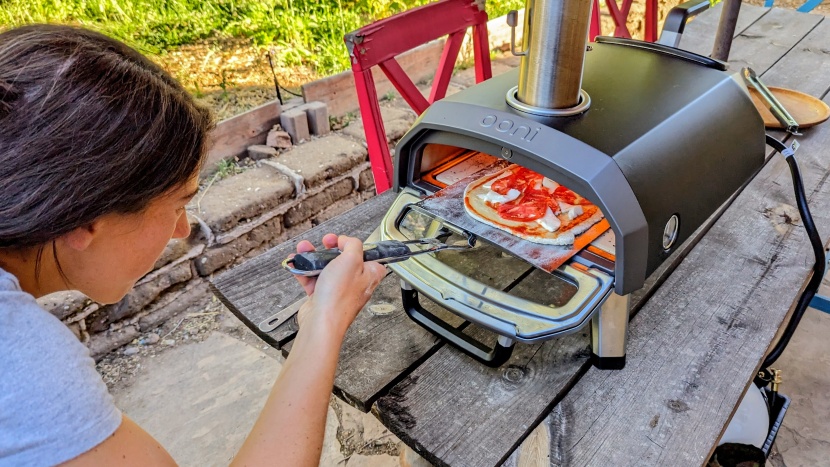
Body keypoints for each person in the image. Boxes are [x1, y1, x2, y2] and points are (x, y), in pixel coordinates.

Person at [0, 24, 387, 466]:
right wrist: (326, 322)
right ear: (85, 217)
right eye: (178, 204)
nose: (182, 230)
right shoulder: (20, 359)